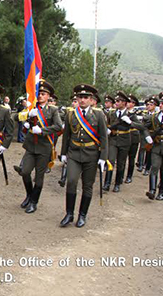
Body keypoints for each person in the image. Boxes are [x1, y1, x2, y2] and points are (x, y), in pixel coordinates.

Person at [59, 84, 108, 227]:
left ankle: (82, 215)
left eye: (85, 97)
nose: (82, 100)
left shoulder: (98, 114)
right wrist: (63, 153)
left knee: (87, 185)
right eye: (79, 97)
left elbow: (104, 137)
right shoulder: (71, 114)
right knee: (72, 181)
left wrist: (103, 158)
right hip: (74, 153)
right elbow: (67, 135)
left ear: (91, 99)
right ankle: (69, 213)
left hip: (91, 155)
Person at [14, 80, 62, 214]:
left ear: (48, 96)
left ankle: (34, 202)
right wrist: (28, 117)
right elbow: (15, 117)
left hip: (44, 146)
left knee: (39, 177)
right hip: (30, 146)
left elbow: (58, 126)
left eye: (43, 94)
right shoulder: (31, 107)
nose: (40, 96)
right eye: (38, 93)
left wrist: (42, 130)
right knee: (24, 171)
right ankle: (29, 195)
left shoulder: (53, 110)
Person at [104, 91, 148, 193]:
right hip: (114, 139)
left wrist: (130, 122)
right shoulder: (112, 113)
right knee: (110, 160)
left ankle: (117, 183)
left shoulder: (130, 114)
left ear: (124, 103)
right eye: (116, 101)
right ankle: (107, 183)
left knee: (121, 163)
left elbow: (141, 126)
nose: (117, 103)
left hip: (125, 140)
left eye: (119, 101)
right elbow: (108, 124)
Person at [125, 94, 141, 184]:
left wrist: (131, 122)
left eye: (130, 102)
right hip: (124, 137)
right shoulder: (123, 112)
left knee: (131, 158)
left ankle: (129, 176)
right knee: (122, 159)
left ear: (134, 104)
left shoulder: (138, 113)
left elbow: (140, 125)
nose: (127, 103)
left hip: (133, 136)